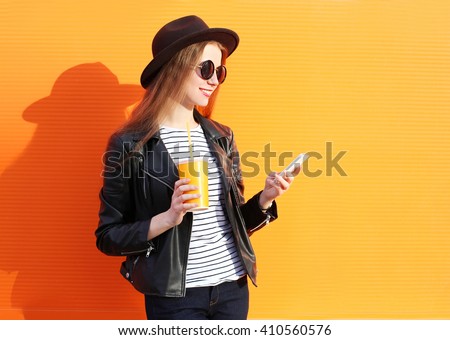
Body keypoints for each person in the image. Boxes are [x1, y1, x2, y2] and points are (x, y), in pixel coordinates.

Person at [95, 15, 295, 320]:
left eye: (220, 71)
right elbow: (108, 237)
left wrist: (265, 199)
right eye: (206, 69)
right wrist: (168, 218)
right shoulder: (129, 144)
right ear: (174, 68)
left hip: (233, 289)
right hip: (176, 297)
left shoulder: (222, 136)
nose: (214, 80)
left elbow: (235, 222)